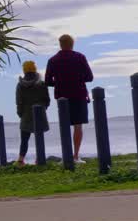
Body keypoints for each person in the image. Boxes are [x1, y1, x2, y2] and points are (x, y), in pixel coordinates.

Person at [44, 33, 94, 163]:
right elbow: (89, 77)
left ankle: (66, 156)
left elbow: (47, 81)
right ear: (72, 44)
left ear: (60, 45)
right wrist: (77, 79)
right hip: (79, 95)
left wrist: (60, 82)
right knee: (78, 126)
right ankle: (76, 155)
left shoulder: (53, 60)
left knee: (65, 125)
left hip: (62, 97)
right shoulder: (80, 57)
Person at [14, 60, 50, 166]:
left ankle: (21, 160)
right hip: (40, 113)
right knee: (39, 139)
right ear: (35, 69)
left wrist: (20, 114)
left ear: (24, 70)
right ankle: (39, 159)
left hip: (26, 114)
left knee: (24, 139)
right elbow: (46, 100)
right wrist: (43, 109)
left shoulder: (20, 85)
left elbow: (19, 101)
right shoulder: (41, 84)